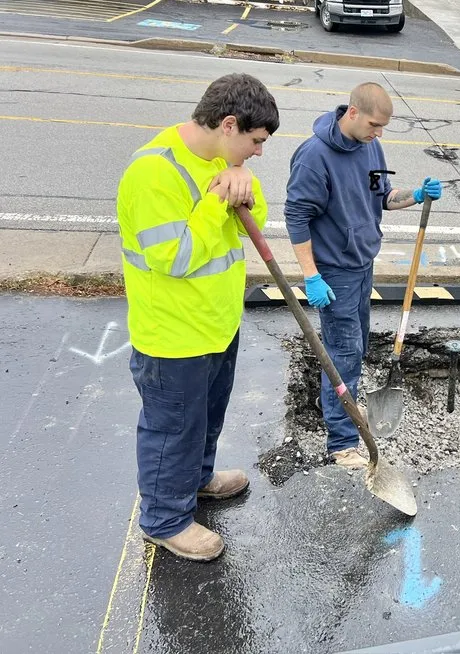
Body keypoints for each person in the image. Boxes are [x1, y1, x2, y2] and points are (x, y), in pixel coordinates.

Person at [117, 73, 279, 562]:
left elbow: (256, 223)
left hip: (216, 326)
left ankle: (199, 478)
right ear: (228, 124)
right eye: (255, 142)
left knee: (206, 417)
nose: (258, 153)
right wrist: (215, 200)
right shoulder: (153, 173)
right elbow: (177, 256)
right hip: (173, 336)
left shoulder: (220, 160)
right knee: (172, 429)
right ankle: (164, 520)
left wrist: (244, 187)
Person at [285, 82, 442, 468]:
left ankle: (339, 404)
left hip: (362, 263)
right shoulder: (314, 157)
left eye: (383, 127)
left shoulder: (371, 146)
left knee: (356, 344)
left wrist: (416, 195)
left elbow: (384, 197)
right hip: (333, 272)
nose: (379, 133)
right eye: (374, 123)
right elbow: (296, 216)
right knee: (344, 352)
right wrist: (311, 276)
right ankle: (341, 443)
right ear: (351, 113)